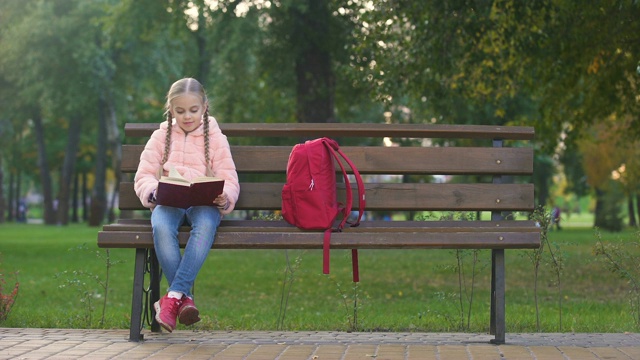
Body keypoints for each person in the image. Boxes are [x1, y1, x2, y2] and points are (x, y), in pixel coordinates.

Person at [134, 78, 240, 333]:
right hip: (170, 201)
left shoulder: (216, 138)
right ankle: (184, 299)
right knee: (160, 225)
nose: (187, 116)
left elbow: (230, 178)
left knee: (204, 225)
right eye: (180, 111)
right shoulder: (161, 136)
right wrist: (153, 192)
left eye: (193, 110)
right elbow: (144, 175)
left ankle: (172, 298)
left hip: (204, 204)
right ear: (171, 109)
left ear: (204, 107)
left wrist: (225, 197)